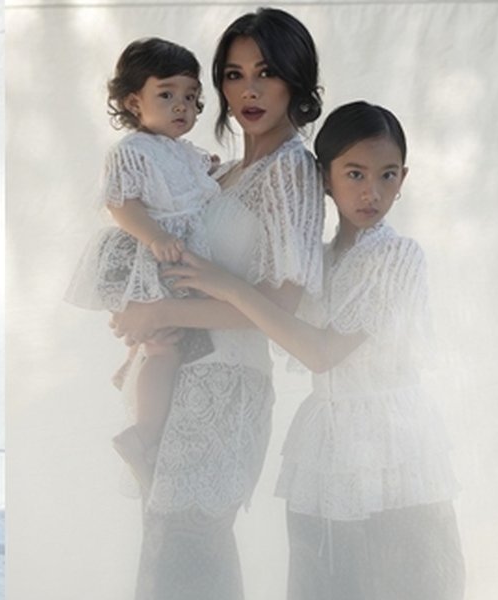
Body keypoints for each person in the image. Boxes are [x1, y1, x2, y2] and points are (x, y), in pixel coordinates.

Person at [166, 101, 465, 599]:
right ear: (325, 178)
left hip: (392, 451)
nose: (372, 191)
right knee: (322, 584)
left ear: (403, 178)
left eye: (388, 175)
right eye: (355, 174)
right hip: (325, 448)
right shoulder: (317, 261)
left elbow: (322, 353)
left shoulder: (395, 256)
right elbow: (274, 323)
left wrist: (233, 289)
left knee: (406, 582)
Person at [110, 8, 325, 598]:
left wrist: (162, 313)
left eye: (266, 73)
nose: (248, 90)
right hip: (179, 372)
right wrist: (138, 306)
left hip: (227, 387)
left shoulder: (292, 173)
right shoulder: (219, 172)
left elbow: (284, 307)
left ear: (297, 81)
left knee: (188, 555)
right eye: (232, 75)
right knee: (164, 553)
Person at [64, 37, 221, 497]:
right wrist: (154, 236)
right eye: (167, 94)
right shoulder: (131, 150)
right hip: (146, 257)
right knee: (165, 347)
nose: (182, 106)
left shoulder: (184, 151)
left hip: (169, 253)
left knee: (165, 341)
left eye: (191, 97)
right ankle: (144, 433)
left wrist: (208, 169)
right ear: (134, 101)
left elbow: (196, 188)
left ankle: (130, 364)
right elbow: (120, 204)